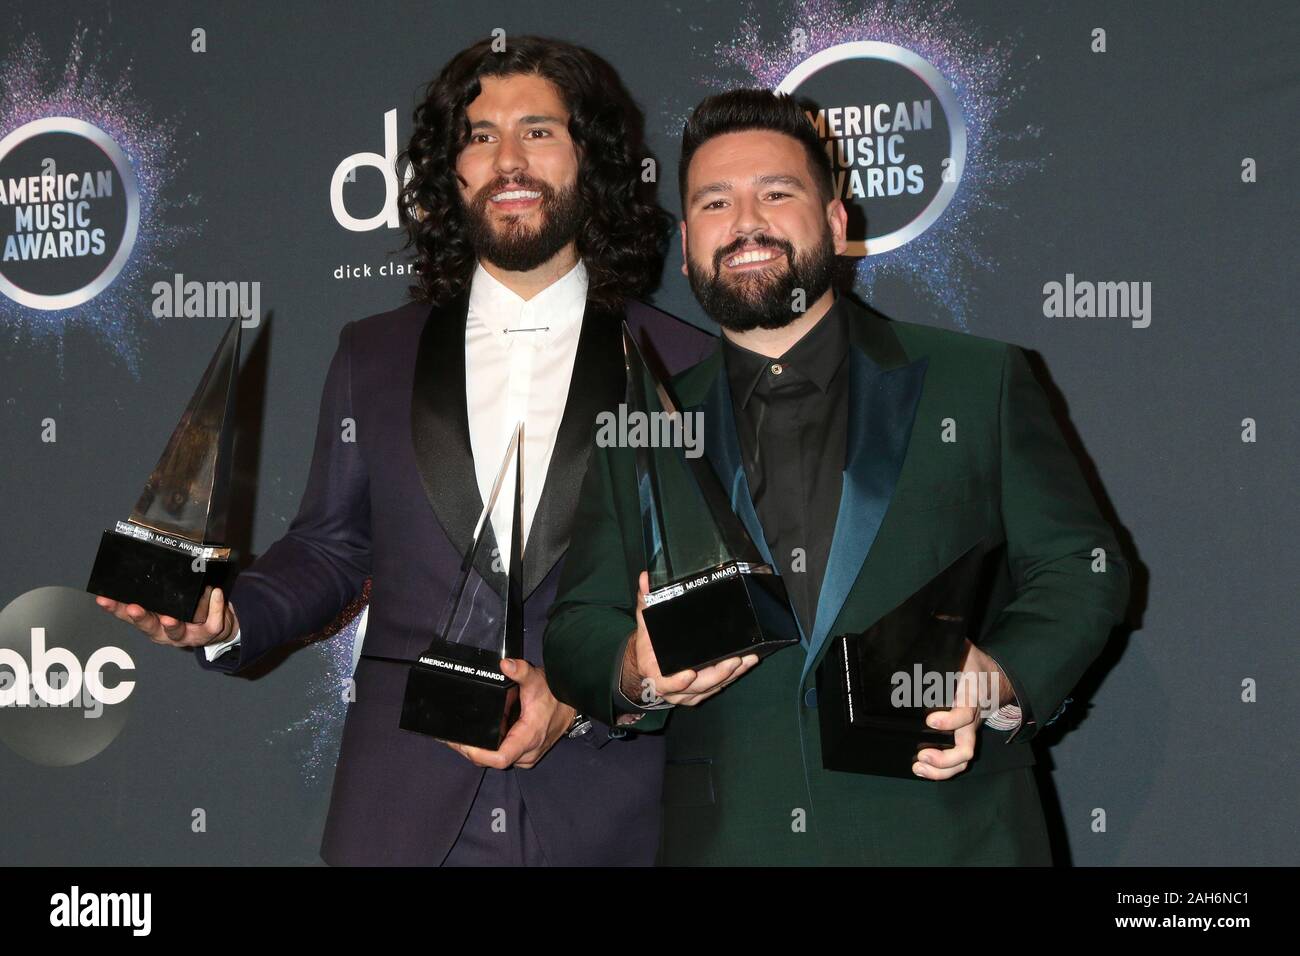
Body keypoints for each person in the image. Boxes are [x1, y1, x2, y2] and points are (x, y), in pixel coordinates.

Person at [94, 36, 711, 866]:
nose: (507, 160)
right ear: (449, 171)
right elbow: (330, 546)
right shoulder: (374, 355)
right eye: (479, 135)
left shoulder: (685, 364)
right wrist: (228, 616)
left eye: (537, 131)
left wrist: (583, 698)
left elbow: (703, 593)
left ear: (590, 159)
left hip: (613, 813)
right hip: (404, 814)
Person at [543, 89, 1131, 864]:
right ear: (686, 246)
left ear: (836, 223)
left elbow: (1082, 570)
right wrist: (634, 670)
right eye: (716, 202)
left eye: (776, 193)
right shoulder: (642, 423)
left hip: (956, 836)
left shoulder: (977, 381)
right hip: (733, 842)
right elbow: (579, 623)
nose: (746, 221)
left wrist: (996, 679)